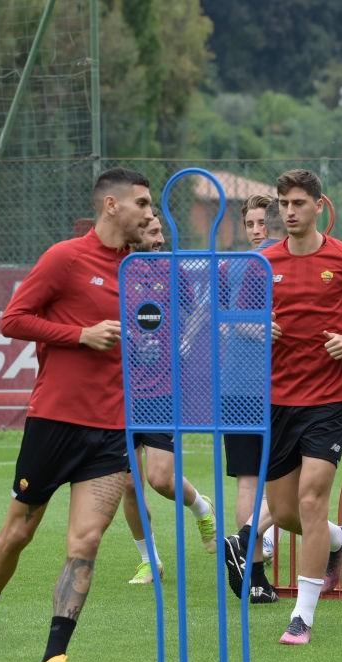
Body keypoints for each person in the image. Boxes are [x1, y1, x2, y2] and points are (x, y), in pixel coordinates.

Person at [0, 168, 151, 662]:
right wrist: (79, 335)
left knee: (85, 543)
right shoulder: (65, 257)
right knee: (17, 532)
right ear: (111, 205)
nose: (149, 214)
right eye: (141, 203)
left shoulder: (140, 270)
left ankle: (53, 660)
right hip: (55, 421)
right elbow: (12, 319)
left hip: (112, 428)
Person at [262, 169, 342, 645]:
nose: (289, 211)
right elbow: (235, 321)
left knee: (312, 497)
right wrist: (255, 328)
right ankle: (339, 539)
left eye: (299, 202)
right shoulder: (264, 261)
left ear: (319, 205)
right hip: (278, 397)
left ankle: (302, 615)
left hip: (331, 396)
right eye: (283, 203)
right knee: (283, 511)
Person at [120, 215, 217, 587]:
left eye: (162, 231)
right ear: (134, 233)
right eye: (152, 232)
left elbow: (194, 314)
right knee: (129, 485)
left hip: (161, 392)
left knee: (160, 479)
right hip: (121, 393)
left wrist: (183, 341)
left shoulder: (172, 271)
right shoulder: (120, 269)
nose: (160, 239)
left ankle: (202, 508)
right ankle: (150, 561)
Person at [222, 194, 281, 605]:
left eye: (264, 223)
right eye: (251, 224)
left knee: (262, 478)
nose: (258, 231)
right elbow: (226, 321)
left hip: (259, 382)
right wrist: (257, 330)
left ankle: (251, 561)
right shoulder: (245, 265)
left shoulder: (235, 266)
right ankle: (251, 557)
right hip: (255, 384)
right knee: (261, 477)